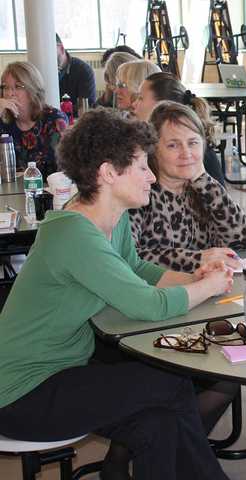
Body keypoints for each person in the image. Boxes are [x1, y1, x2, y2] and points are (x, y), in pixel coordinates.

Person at [0, 108, 233, 480]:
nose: (152, 177)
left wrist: (193, 276)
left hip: (65, 367)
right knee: (171, 383)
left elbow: (136, 270)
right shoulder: (73, 233)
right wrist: (209, 286)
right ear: (108, 173)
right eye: (142, 167)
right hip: (22, 393)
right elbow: (146, 304)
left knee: (159, 425)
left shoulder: (111, 217)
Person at [130, 101, 246, 272]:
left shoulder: (202, 189)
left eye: (193, 143)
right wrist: (198, 259)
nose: (186, 153)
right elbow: (129, 258)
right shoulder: (139, 193)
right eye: (173, 145)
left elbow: (242, 239)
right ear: (154, 150)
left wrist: (203, 180)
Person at [133, 71, 224, 184]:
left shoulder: (201, 158)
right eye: (173, 145)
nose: (134, 104)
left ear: (161, 105)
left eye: (141, 98)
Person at [0, 61, 68, 177]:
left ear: (33, 90)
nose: (10, 94)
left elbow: (62, 169)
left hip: (48, 191)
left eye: (18, 87)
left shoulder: (54, 120)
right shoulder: (3, 120)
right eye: (6, 87)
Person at [56, 33, 96, 112]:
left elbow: (86, 107)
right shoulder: (40, 72)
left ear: (61, 48)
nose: (47, 56)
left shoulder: (83, 70)